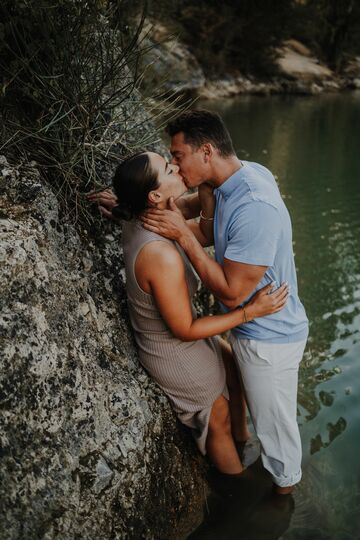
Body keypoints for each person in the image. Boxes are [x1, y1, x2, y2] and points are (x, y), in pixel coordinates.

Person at [87, 151, 288, 476]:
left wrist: (123, 206)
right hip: (172, 346)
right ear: (154, 195)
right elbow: (183, 329)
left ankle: (244, 442)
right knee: (217, 418)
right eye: (168, 168)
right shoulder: (159, 254)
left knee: (236, 371)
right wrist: (251, 311)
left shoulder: (152, 214)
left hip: (187, 331)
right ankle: (236, 487)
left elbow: (195, 206)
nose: (177, 166)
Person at [141, 109, 309, 495]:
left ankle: (282, 501)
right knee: (254, 408)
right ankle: (242, 442)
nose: (176, 166)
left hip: (268, 337)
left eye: (178, 156)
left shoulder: (254, 207)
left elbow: (232, 293)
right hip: (248, 327)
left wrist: (181, 237)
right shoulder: (227, 180)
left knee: (277, 431)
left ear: (206, 151)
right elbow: (202, 226)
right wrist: (129, 205)